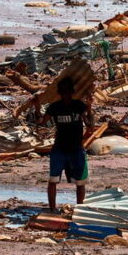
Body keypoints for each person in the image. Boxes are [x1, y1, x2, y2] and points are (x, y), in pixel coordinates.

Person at [38, 77, 94, 213]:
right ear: (60, 93)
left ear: (72, 92)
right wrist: (36, 106)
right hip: (60, 148)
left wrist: (89, 107)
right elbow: (41, 122)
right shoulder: (54, 107)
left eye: (68, 91)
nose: (66, 94)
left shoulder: (78, 106)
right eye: (63, 92)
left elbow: (89, 125)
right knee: (53, 180)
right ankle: (52, 209)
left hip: (76, 148)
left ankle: (79, 209)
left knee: (80, 182)